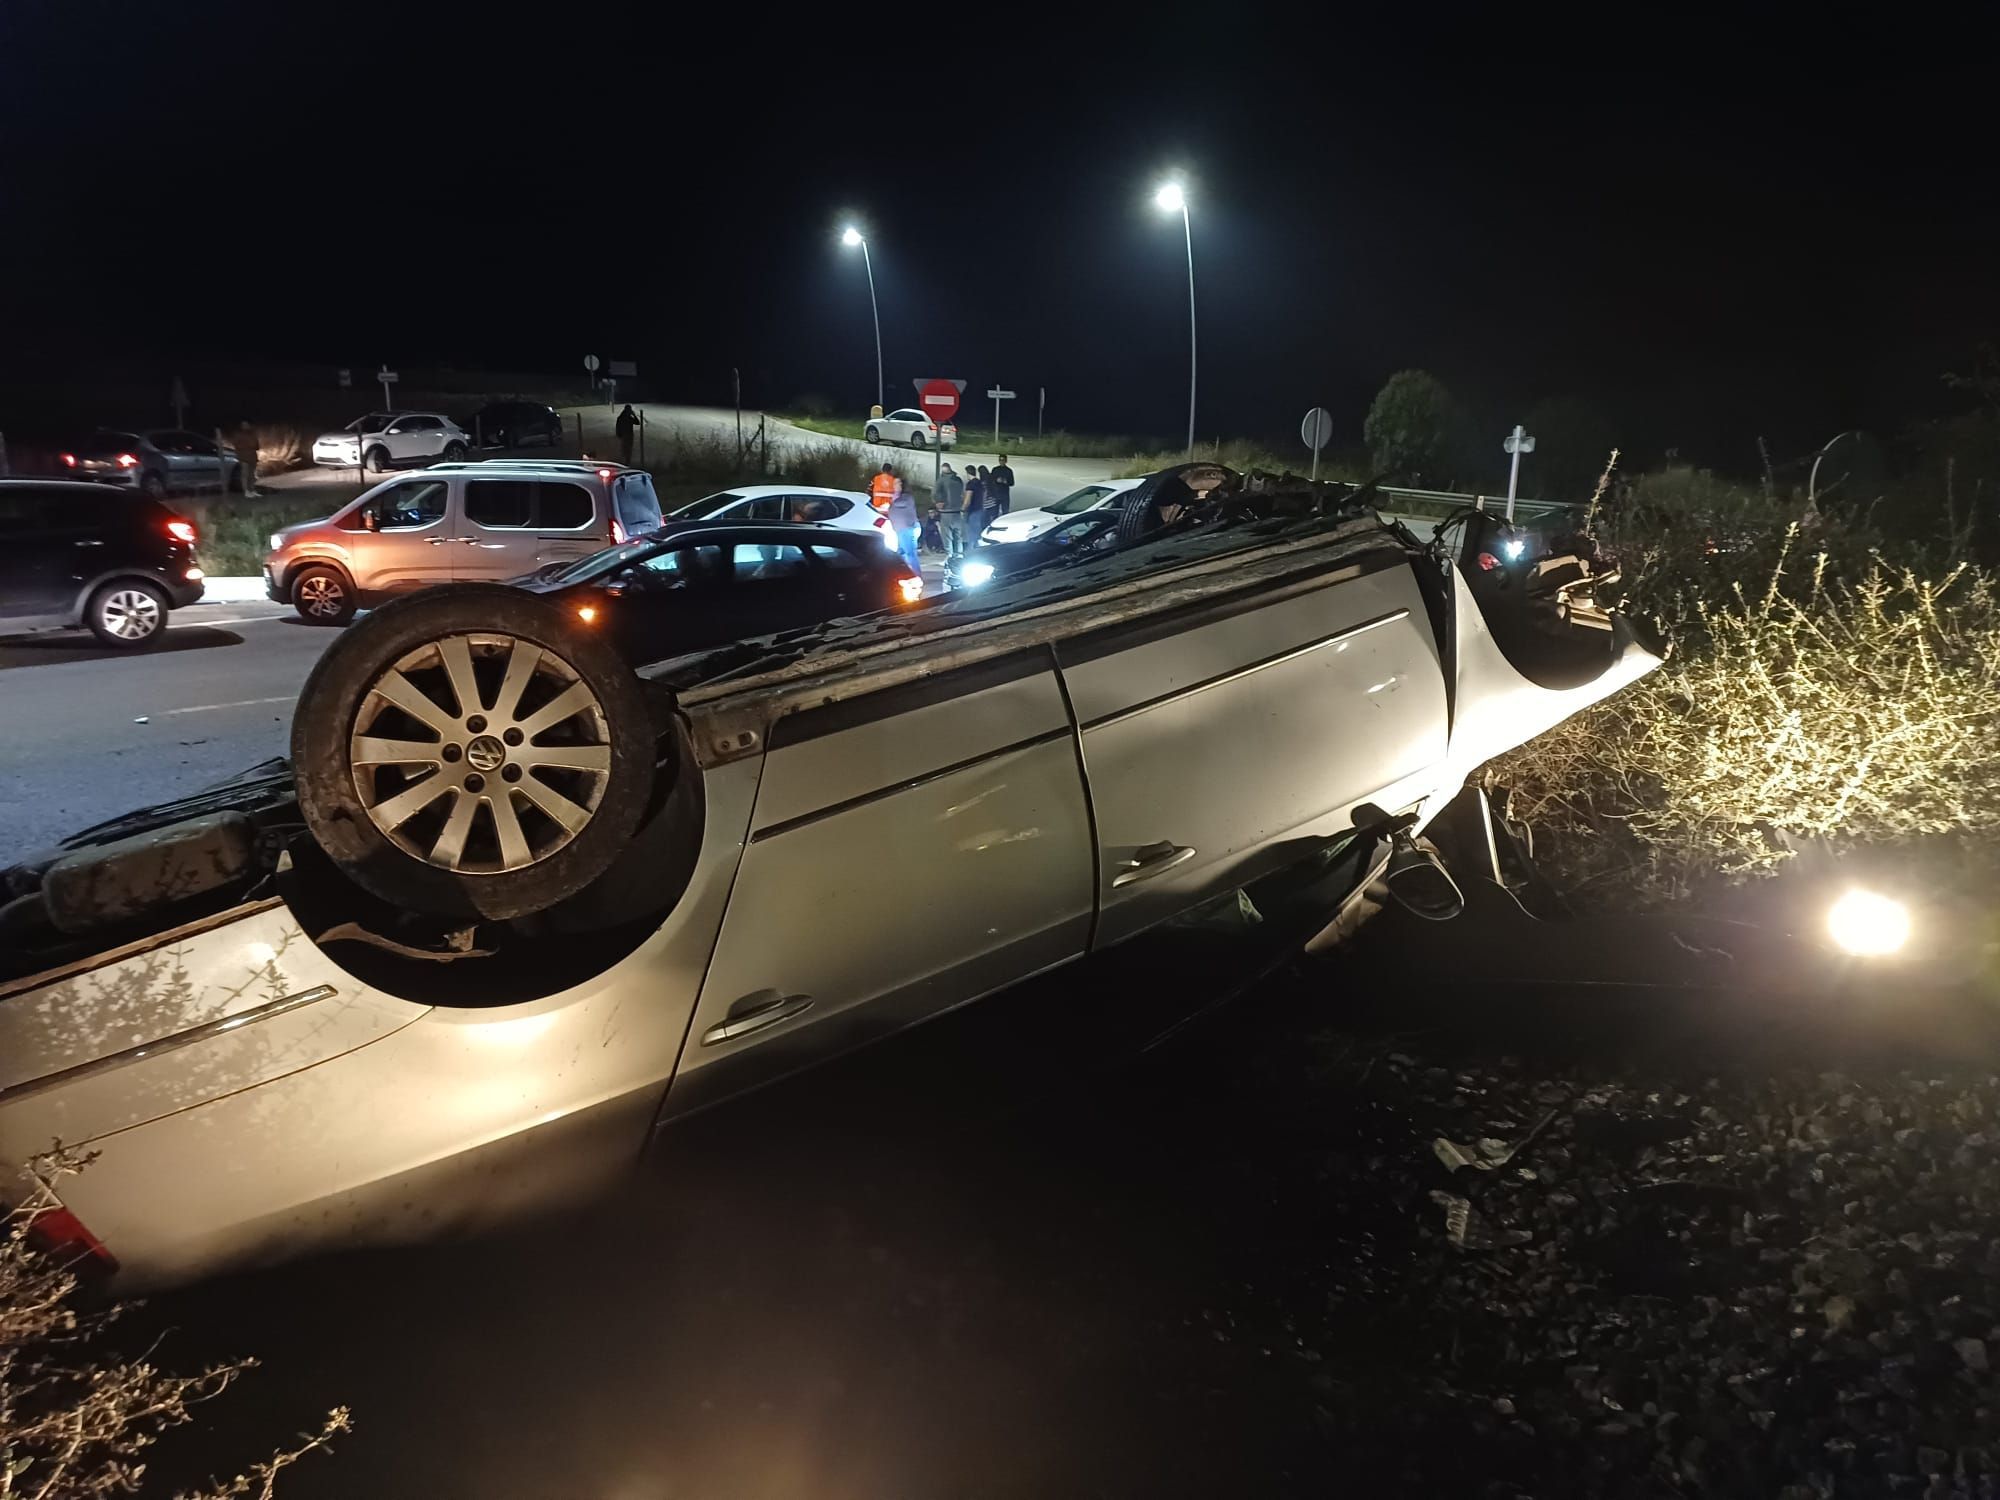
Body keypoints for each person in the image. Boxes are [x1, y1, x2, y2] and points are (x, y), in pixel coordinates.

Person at [886, 475, 921, 575]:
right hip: (901, 529)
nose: (895, 485)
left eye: (897, 483)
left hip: (907, 529)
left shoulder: (906, 497)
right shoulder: (897, 497)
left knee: (910, 554)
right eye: (894, 483)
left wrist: (892, 501)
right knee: (902, 553)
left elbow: (897, 504)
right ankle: (905, 575)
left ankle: (916, 576)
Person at [937, 461, 966, 557]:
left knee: (947, 537)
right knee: (958, 535)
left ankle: (949, 557)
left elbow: (935, 494)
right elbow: (962, 493)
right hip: (957, 511)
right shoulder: (958, 480)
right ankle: (959, 555)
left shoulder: (941, 480)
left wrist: (938, 503)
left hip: (946, 512)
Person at [962, 466, 989, 544]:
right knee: (978, 532)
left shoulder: (970, 484)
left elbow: (968, 500)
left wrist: (963, 509)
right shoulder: (980, 482)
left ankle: (972, 551)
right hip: (980, 510)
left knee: (972, 533)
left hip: (972, 511)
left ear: (967, 473)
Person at [234, 421, 260, 497]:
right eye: (244, 425)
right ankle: (246, 491)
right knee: (245, 474)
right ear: (241, 426)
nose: (246, 426)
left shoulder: (252, 434)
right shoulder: (238, 434)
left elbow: (257, 446)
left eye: (247, 425)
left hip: (252, 457)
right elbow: (236, 446)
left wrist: (253, 445)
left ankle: (252, 490)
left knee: (252, 475)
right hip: (243, 457)